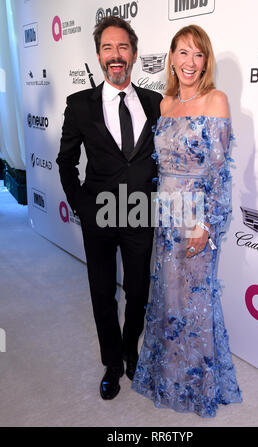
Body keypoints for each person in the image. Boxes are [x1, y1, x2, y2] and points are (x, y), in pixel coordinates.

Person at [132, 24, 242, 417]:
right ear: (172, 58)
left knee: (197, 303)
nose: (189, 62)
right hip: (165, 215)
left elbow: (220, 172)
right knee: (167, 298)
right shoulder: (165, 105)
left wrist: (208, 224)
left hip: (197, 217)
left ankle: (197, 386)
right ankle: (166, 377)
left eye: (198, 54)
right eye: (182, 52)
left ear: (206, 61)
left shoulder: (216, 100)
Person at [56, 16, 162, 400]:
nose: (115, 56)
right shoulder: (79, 106)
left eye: (122, 47)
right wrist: (83, 207)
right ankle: (112, 364)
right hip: (98, 214)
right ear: (99, 55)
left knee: (138, 291)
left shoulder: (155, 102)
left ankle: (131, 354)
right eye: (107, 48)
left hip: (139, 214)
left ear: (133, 54)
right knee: (103, 293)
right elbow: (65, 162)